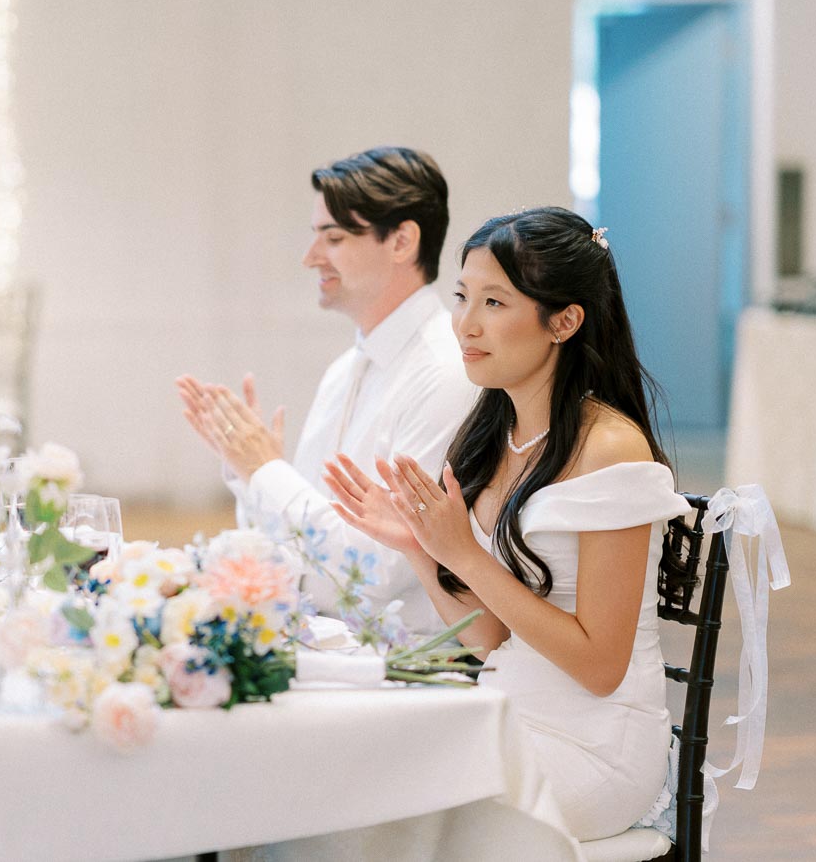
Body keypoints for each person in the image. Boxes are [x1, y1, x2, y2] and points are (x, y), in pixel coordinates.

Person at [325, 206, 690, 841]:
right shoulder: (497, 436)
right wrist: (420, 547)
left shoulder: (610, 449)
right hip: (510, 712)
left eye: (495, 302)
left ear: (565, 321)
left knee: (395, 814)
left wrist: (464, 555)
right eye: (463, 297)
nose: (466, 324)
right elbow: (492, 640)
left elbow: (600, 667)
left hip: (594, 747)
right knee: (341, 782)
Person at [176, 146, 476, 630]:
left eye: (332, 237)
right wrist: (250, 473)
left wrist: (267, 470)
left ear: (402, 241)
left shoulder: (446, 372)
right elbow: (296, 555)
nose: (310, 257)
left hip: (414, 672)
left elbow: (376, 570)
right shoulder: (343, 371)